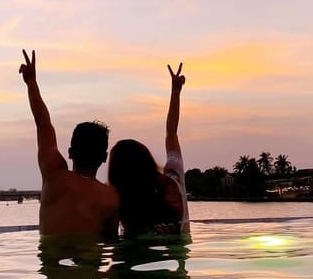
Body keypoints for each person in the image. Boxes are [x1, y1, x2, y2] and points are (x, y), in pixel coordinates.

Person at [19, 49, 120, 237]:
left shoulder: (54, 175)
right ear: (104, 157)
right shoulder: (111, 197)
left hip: (52, 255)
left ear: (70, 152)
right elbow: (111, 242)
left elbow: (43, 124)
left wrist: (31, 83)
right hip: (89, 255)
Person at [108, 62, 189, 236]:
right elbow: (171, 133)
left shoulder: (124, 203)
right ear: (147, 161)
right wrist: (175, 93)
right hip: (179, 253)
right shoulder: (174, 178)